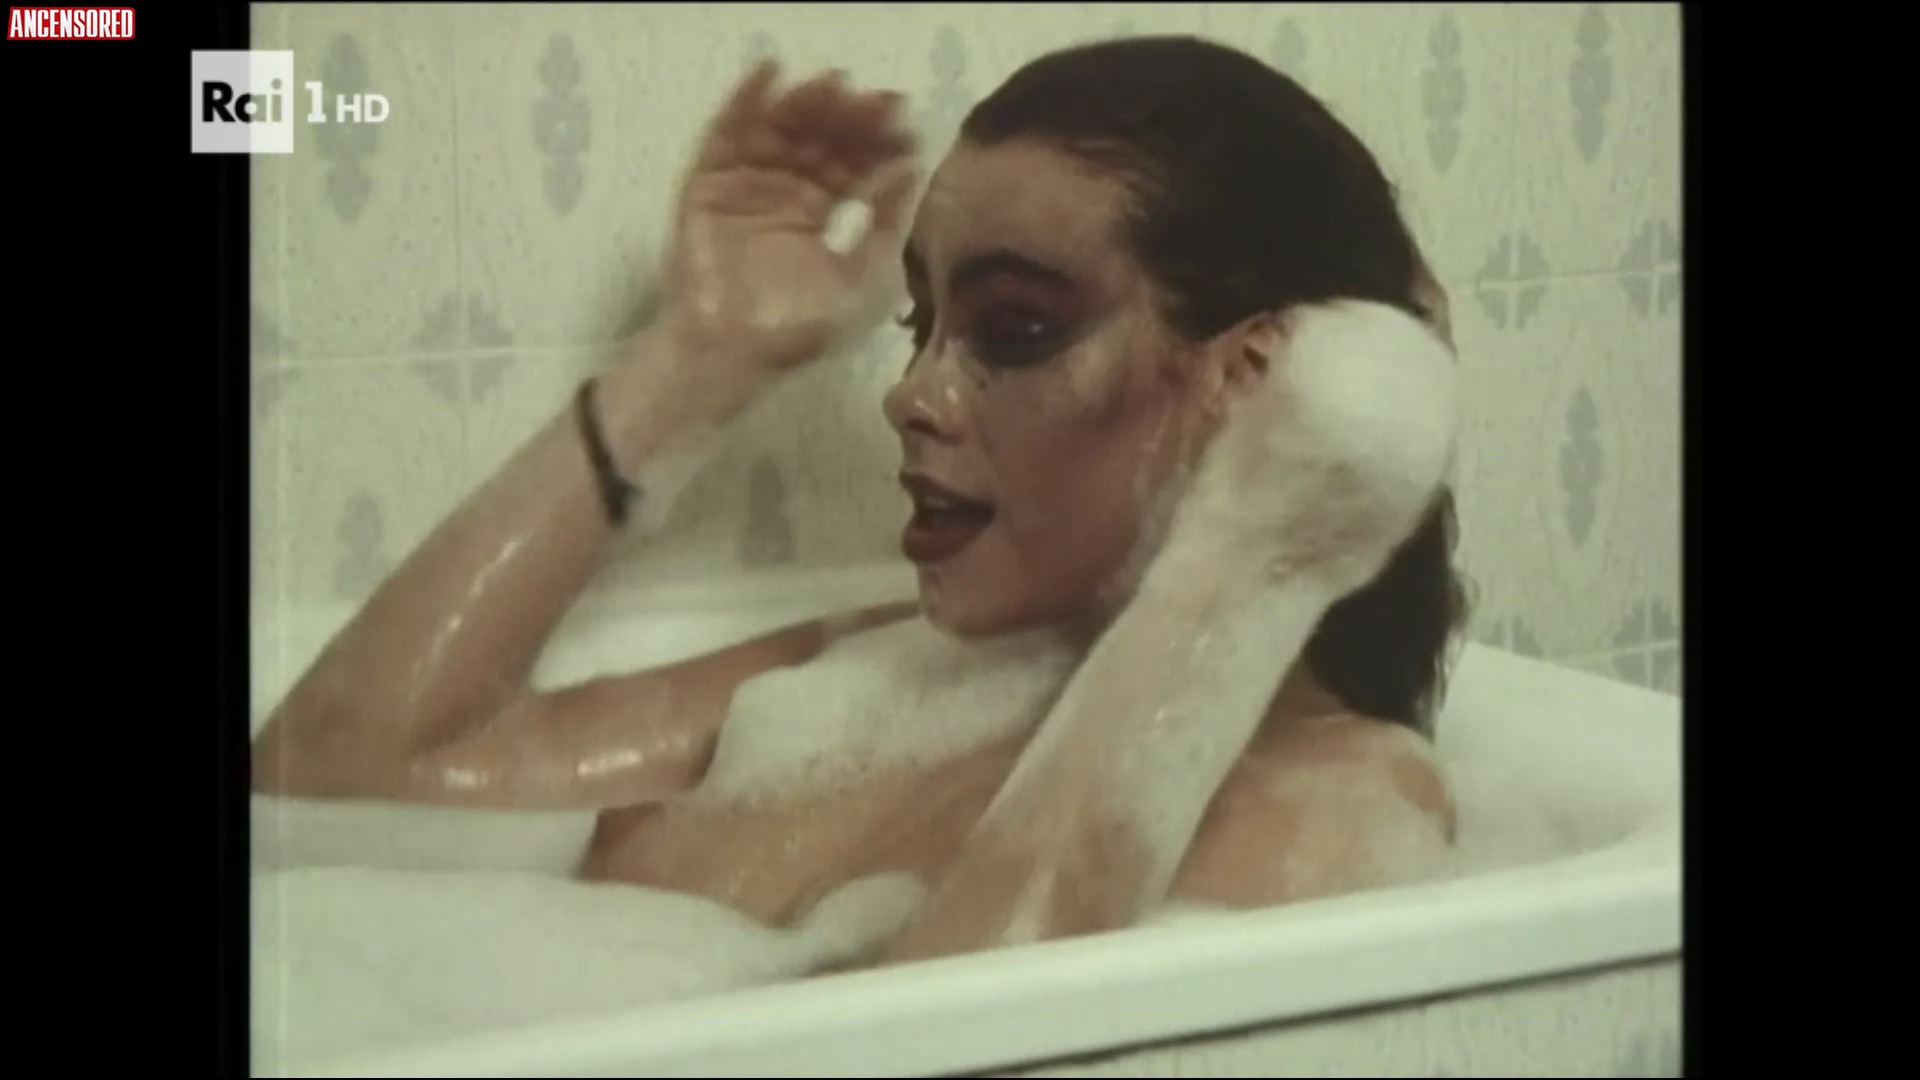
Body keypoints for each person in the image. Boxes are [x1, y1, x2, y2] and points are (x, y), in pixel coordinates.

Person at [252, 35, 1469, 965]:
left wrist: (1249, 554)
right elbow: (329, 784)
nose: (912, 396)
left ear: (1251, 382)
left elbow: (990, 1040)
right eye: (919, 324)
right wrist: (701, 355)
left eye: (1017, 329)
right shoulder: (880, 682)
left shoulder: (1329, 805)